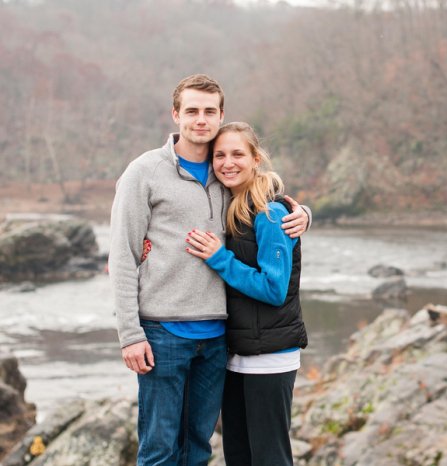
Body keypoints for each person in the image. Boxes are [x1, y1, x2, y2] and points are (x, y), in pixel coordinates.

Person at [108, 75, 310, 466]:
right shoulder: (144, 172)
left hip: (218, 338)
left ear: (221, 115)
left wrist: (302, 213)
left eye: (209, 111)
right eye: (192, 111)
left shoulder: (226, 175)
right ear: (175, 114)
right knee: (160, 450)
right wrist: (129, 335)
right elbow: (122, 255)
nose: (201, 120)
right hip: (162, 333)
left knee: (199, 448)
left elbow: (268, 204)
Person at [185, 121, 307, 466]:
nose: (228, 162)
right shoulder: (232, 203)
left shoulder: (271, 214)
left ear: (256, 158)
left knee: (269, 458)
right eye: (219, 155)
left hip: (269, 356)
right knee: (238, 456)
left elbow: (273, 289)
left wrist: (219, 258)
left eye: (238, 153)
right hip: (237, 354)